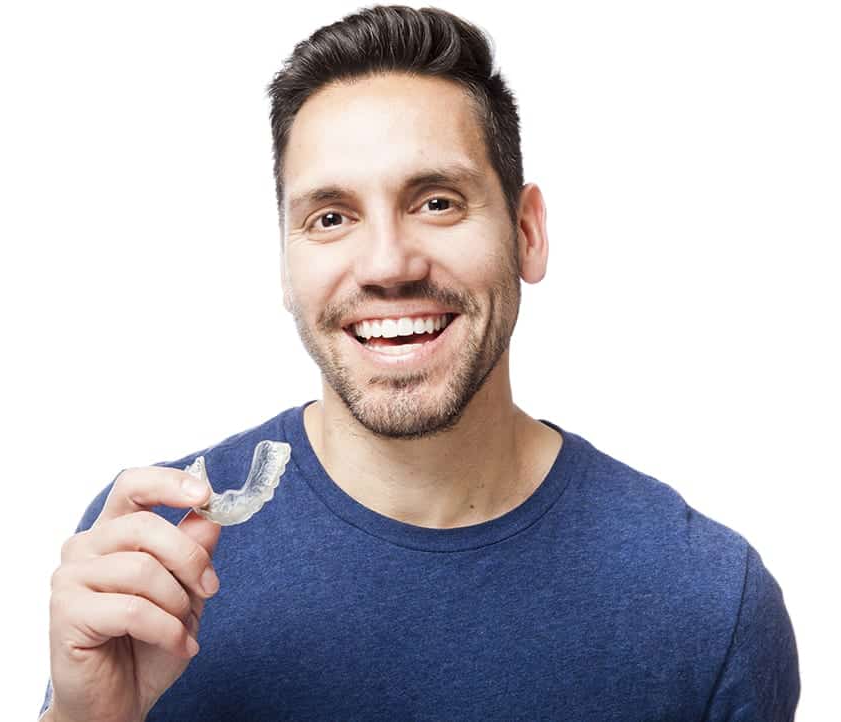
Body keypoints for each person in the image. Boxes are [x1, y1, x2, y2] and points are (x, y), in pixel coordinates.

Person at [40, 6, 800, 721]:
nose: (387, 263)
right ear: (285, 260)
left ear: (527, 232)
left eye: (436, 201)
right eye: (330, 217)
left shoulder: (707, 603)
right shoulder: (152, 551)